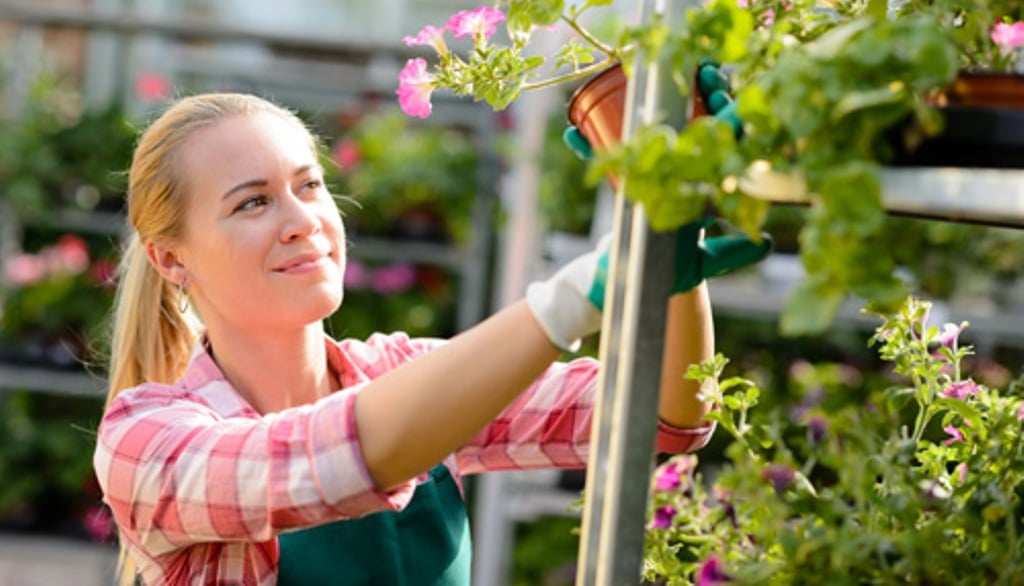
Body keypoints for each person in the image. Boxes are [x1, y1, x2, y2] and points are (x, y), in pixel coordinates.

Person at [93, 92, 766, 585]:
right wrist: (573, 296)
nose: (304, 221)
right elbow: (337, 455)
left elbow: (658, 416)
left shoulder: (401, 373)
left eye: (309, 185)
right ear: (170, 259)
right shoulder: (146, 442)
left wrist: (666, 238)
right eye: (252, 202)